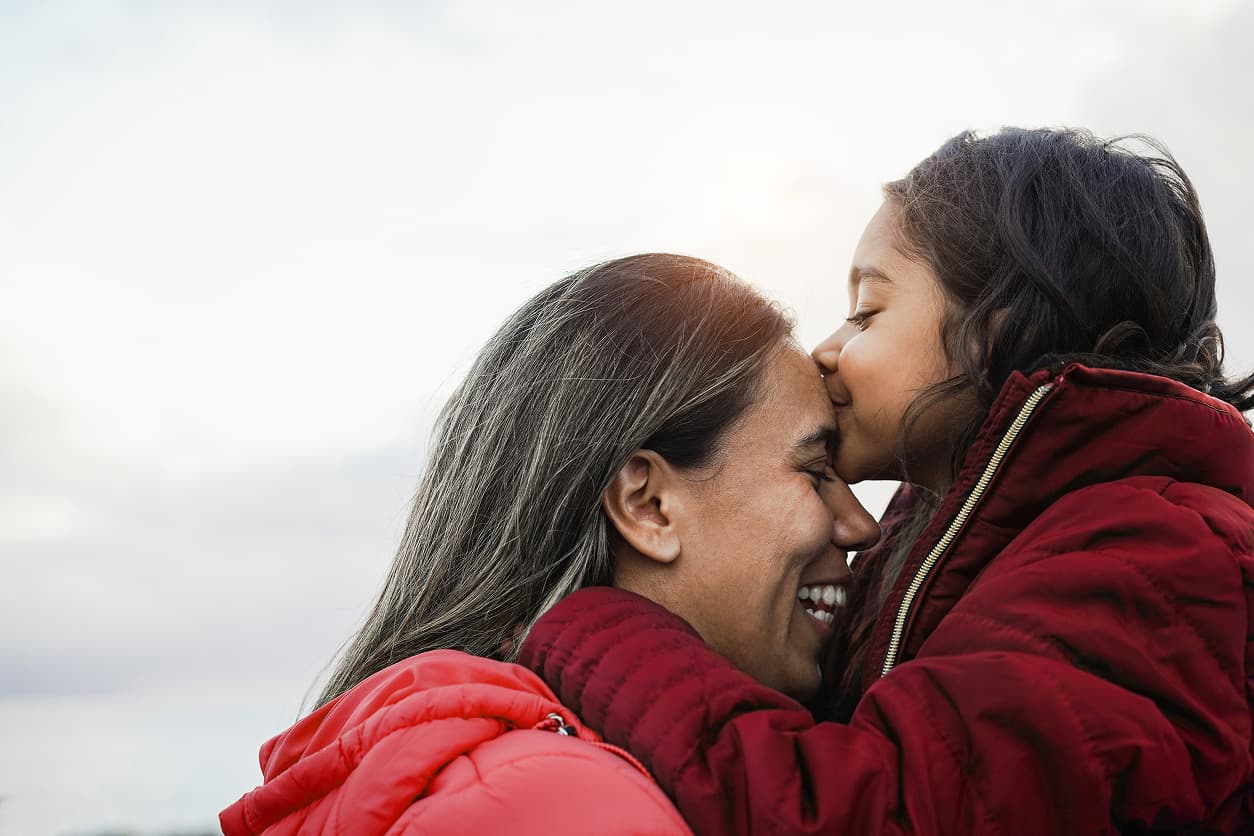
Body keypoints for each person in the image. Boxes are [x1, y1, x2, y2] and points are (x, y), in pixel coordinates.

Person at [518, 128, 1254, 834]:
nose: (827, 350)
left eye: (867, 311)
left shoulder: (1156, 553)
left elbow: (872, 812)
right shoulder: (937, 538)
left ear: (993, 324)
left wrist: (600, 630)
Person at [219, 253, 881, 835]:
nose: (861, 527)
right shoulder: (561, 803)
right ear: (647, 505)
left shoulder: (453, 763)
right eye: (815, 471)